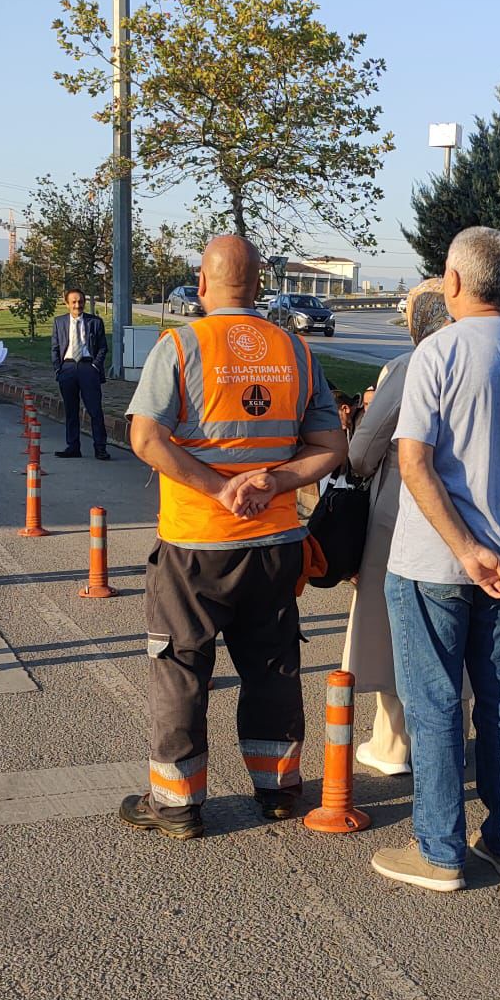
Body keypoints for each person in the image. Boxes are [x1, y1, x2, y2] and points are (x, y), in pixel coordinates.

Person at [374, 227, 500, 892]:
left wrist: (465, 547)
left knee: (434, 703)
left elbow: (414, 461)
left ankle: (438, 849)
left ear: (453, 282)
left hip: (435, 563)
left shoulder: (436, 353)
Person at [119, 235, 346, 840]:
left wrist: (219, 489)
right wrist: (271, 480)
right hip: (275, 545)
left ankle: (176, 803)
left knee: (181, 668)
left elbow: (146, 438)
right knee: (271, 665)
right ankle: (277, 790)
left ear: (202, 282)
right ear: (258, 285)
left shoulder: (181, 346)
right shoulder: (295, 351)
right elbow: (330, 449)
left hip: (195, 544)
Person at [342, 280, 451, 776]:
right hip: (476, 513)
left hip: (402, 506)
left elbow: (363, 450)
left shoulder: (412, 366)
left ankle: (393, 743)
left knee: (393, 627)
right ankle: (454, 737)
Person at [50, 289, 110, 459]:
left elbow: (103, 347)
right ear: (67, 304)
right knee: (71, 409)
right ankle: (73, 446)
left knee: (95, 410)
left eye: (80, 301)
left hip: (87, 367)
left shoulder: (95, 322)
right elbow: (55, 348)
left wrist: (95, 366)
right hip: (67, 368)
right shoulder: (59, 322)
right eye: (74, 302)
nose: (78, 305)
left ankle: (100, 447)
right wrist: (58, 369)